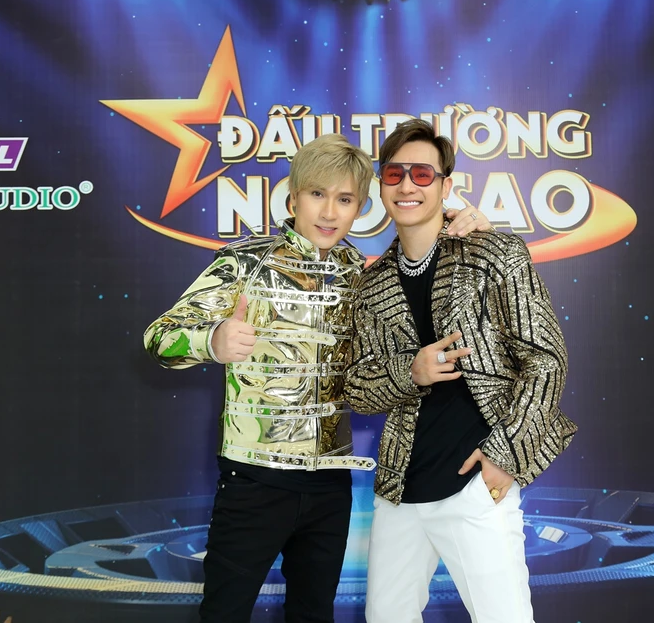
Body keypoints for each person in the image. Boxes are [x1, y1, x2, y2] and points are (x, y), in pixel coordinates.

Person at [143, 132, 491, 623]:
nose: (329, 212)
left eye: (345, 199)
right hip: (254, 478)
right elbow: (158, 338)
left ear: (360, 209)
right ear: (293, 199)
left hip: (330, 482)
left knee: (314, 614)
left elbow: (423, 262)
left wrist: (468, 226)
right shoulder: (244, 262)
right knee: (224, 612)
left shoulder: (362, 274)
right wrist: (211, 340)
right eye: (317, 194)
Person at [344, 119, 578, 623]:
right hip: (400, 488)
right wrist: (410, 372)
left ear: (446, 185)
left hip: (477, 483)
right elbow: (357, 388)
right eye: (394, 174)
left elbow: (546, 359)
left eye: (423, 174)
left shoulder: (494, 253)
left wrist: (505, 455)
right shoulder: (370, 285)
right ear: (381, 187)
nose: (407, 185)